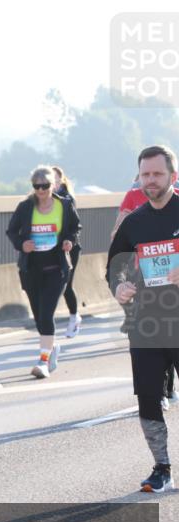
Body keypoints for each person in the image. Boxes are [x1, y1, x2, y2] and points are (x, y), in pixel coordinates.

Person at [107, 145, 179, 493]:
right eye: (145, 174)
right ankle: (161, 467)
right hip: (148, 325)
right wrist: (119, 287)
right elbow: (114, 267)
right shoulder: (134, 222)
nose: (150, 181)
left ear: (173, 176)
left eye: (157, 174)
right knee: (149, 398)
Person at [5, 166, 81, 379]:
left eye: (45, 186)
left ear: (53, 185)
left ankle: (43, 361)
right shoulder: (25, 207)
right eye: (36, 187)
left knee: (47, 314)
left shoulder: (64, 205)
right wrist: (22, 244)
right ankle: (52, 347)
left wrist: (69, 241)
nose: (40, 190)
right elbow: (11, 231)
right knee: (39, 317)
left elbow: (76, 227)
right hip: (31, 269)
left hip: (56, 269)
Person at [52, 166, 82, 338]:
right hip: (50, 248)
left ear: (61, 180)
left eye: (55, 180)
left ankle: (74, 317)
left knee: (66, 284)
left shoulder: (66, 198)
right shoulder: (40, 200)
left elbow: (75, 226)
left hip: (69, 247)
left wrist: (69, 240)